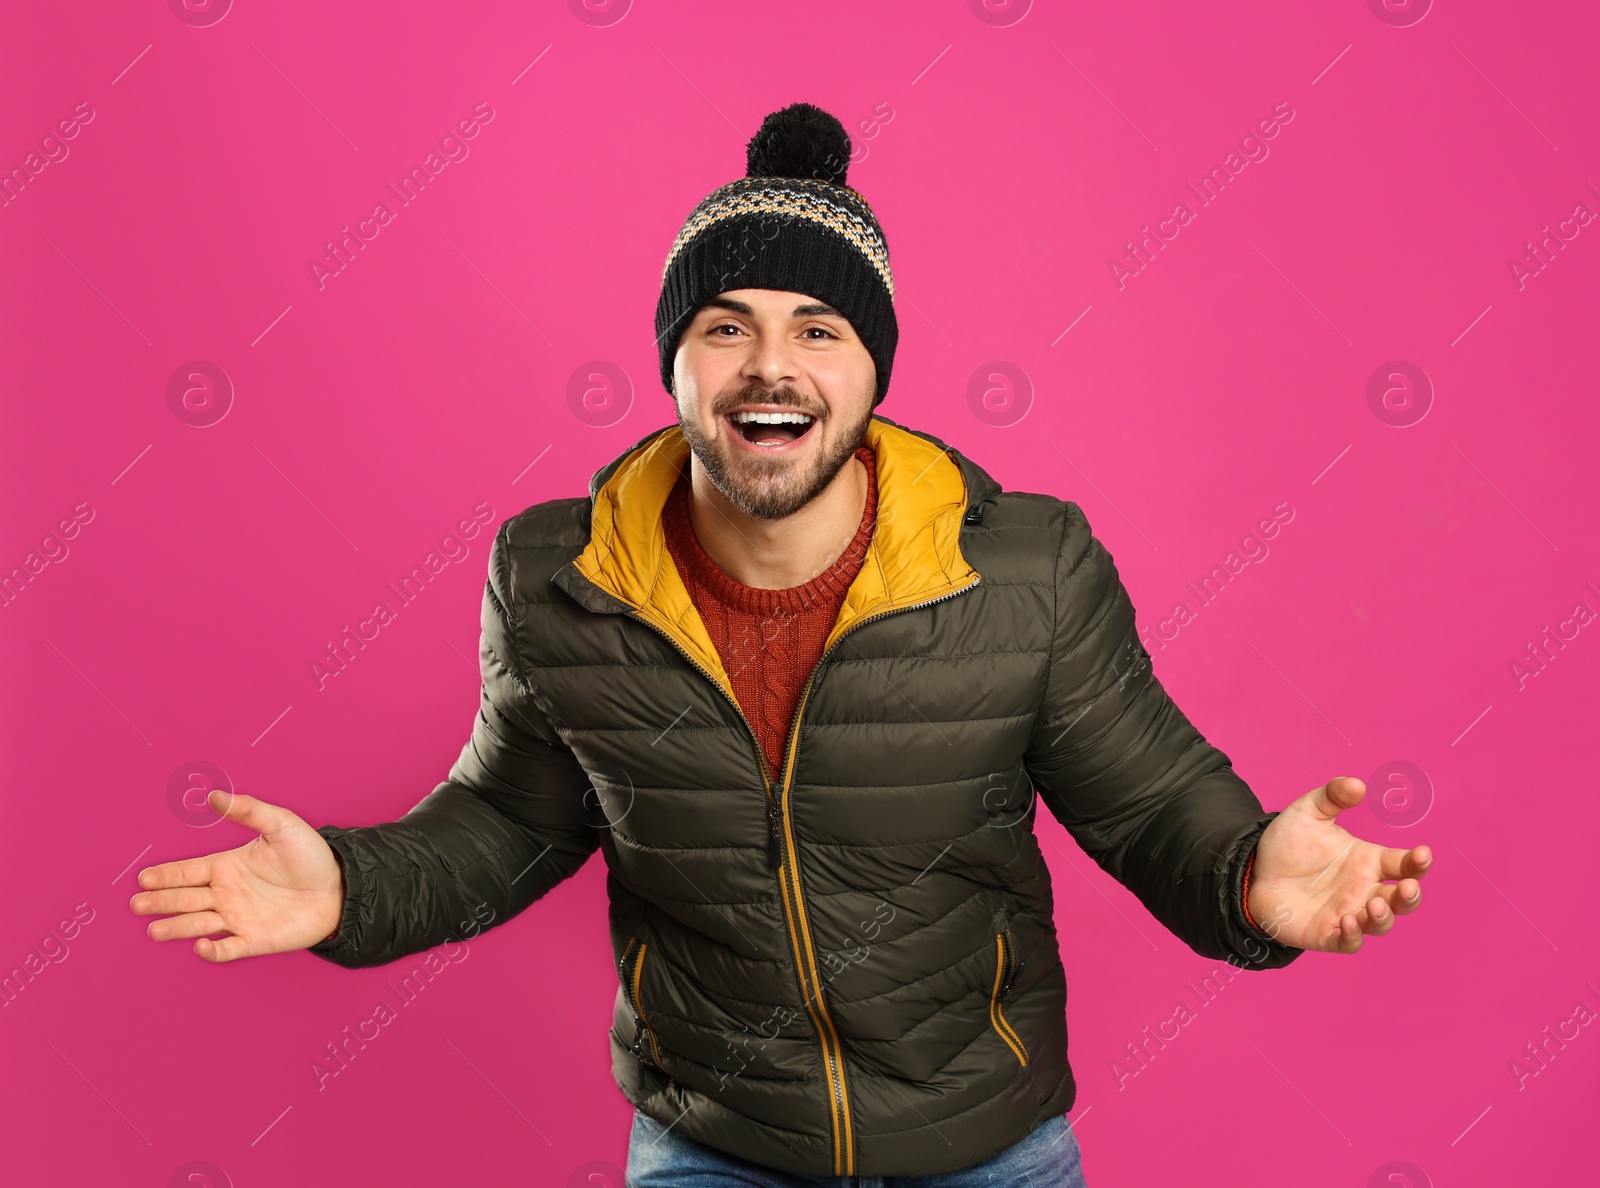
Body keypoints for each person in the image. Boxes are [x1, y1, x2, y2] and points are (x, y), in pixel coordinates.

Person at [129, 102, 1433, 1186]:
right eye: (725, 326)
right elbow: (508, 825)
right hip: (711, 1148)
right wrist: (348, 892)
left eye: (819, 330)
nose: (772, 368)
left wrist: (1251, 873)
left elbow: (1151, 802)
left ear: (873, 369)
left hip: (987, 1147)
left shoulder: (1024, 568)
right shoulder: (558, 579)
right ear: (675, 365)